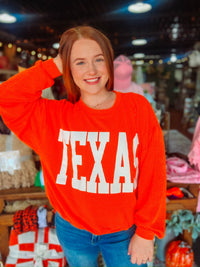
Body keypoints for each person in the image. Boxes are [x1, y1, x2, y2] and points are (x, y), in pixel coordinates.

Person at [0, 25, 166, 267]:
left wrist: (146, 231)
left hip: (125, 232)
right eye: (79, 62)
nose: (91, 70)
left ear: (109, 61)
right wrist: (54, 64)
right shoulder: (53, 117)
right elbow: (6, 97)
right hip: (72, 230)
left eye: (98, 59)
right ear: (67, 67)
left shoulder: (136, 108)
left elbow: (154, 172)